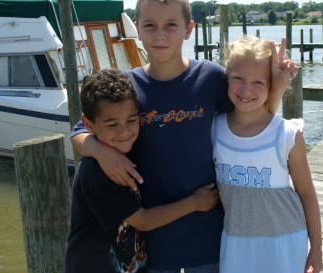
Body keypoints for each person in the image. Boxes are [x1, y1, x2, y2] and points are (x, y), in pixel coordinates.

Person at [70, 0, 297, 272]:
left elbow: (255, 121)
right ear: (137, 29)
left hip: (209, 231)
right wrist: (102, 152)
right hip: (154, 238)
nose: (160, 34)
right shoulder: (127, 86)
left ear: (188, 29)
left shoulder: (211, 77)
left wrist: (278, 86)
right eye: (150, 26)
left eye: (171, 25)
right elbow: (80, 131)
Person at [65, 69, 220, 273]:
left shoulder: (129, 149)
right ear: (89, 125)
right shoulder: (95, 174)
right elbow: (143, 220)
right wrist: (195, 202)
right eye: (112, 124)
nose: (125, 132)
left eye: (132, 120)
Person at [212, 36, 323, 273]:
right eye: (238, 78)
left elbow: (307, 194)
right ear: (226, 77)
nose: (246, 89)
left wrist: (316, 249)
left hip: (286, 239)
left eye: (258, 82)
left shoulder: (286, 135)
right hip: (234, 241)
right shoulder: (213, 129)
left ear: (272, 84)